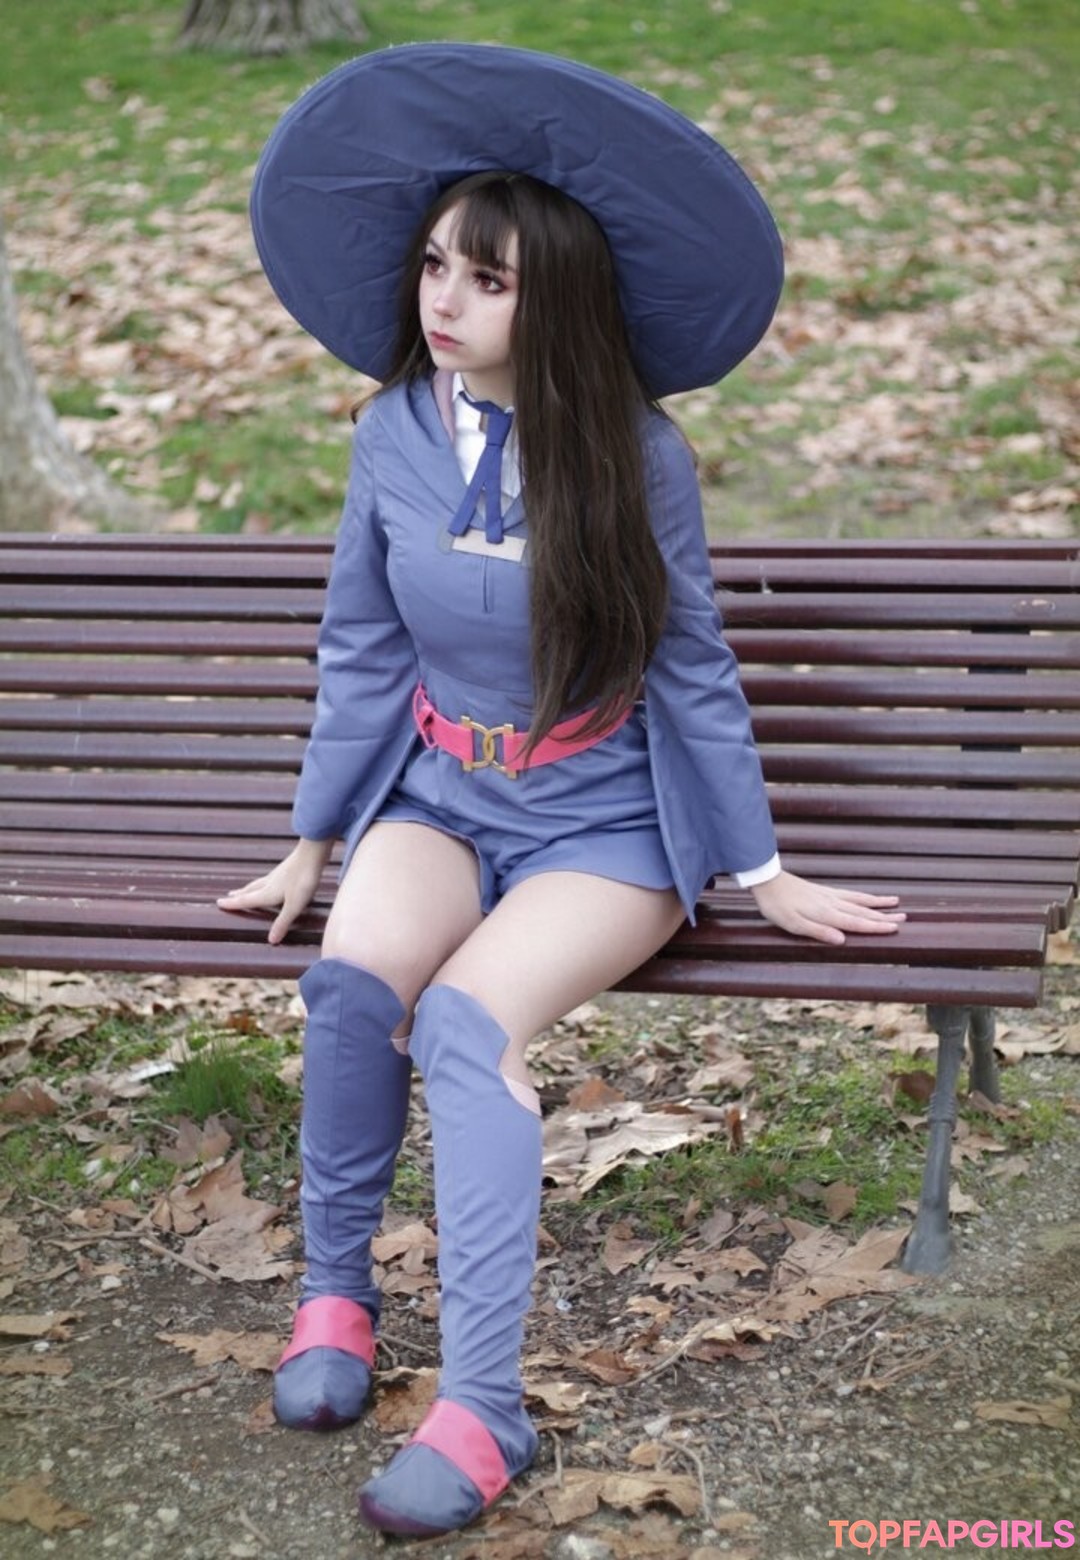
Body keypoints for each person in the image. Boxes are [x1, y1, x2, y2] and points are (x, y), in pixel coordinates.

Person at [220, 43, 904, 1539]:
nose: (444, 301)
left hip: (603, 819)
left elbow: (691, 664)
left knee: (467, 1031)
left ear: (561, 300)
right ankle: (334, 1303)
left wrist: (758, 867)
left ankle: (485, 1408)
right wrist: (313, 838)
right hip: (440, 793)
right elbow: (362, 642)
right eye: (433, 266)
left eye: (488, 279)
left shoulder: (636, 456)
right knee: (350, 988)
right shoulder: (392, 433)